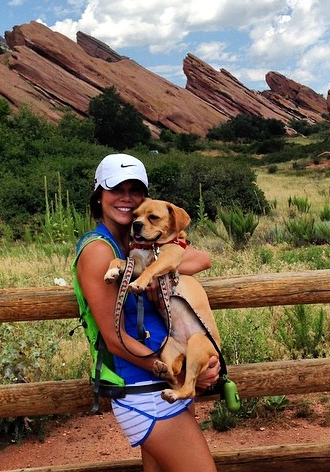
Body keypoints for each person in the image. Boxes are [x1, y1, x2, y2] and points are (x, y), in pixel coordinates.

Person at [73, 153, 219, 472]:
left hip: (158, 382)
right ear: (99, 196)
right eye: (116, 189)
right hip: (142, 385)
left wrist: (159, 262)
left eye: (134, 190)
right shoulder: (99, 250)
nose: (126, 198)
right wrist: (176, 372)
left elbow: (198, 258)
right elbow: (114, 340)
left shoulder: (135, 244)